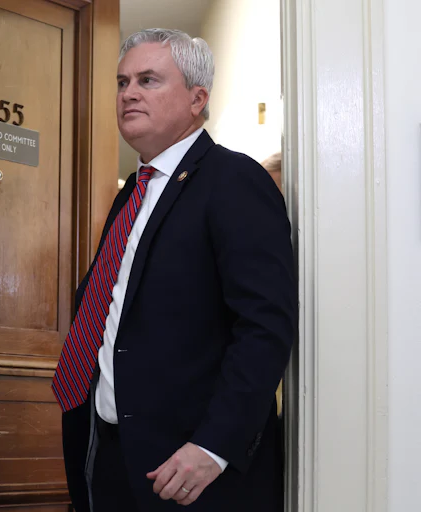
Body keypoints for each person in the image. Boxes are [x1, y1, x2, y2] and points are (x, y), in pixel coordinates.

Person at [53, 29, 296, 512]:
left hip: (192, 470)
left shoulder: (234, 179)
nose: (129, 93)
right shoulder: (133, 192)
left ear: (197, 99)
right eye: (122, 82)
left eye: (148, 80)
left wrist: (214, 446)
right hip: (109, 454)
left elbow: (265, 326)